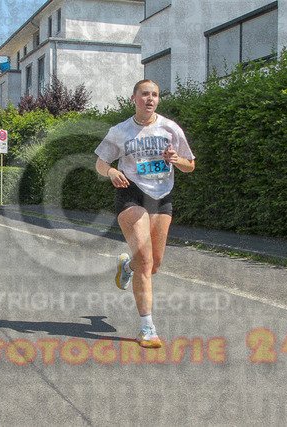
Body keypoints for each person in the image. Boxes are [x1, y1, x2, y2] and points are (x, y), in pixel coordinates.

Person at [95, 79, 196, 348]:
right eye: (144, 94)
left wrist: (176, 160)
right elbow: (100, 162)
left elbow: (190, 165)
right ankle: (147, 328)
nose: (150, 99)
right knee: (144, 257)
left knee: (154, 264)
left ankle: (127, 267)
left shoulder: (170, 128)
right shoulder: (120, 131)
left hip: (161, 196)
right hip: (131, 193)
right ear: (134, 98)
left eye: (155, 95)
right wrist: (112, 171)